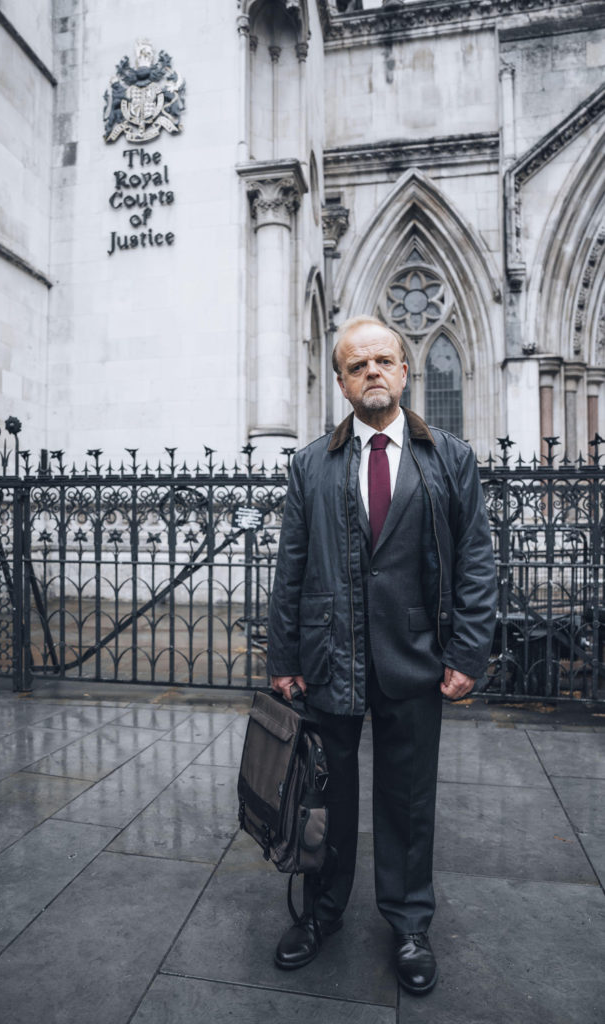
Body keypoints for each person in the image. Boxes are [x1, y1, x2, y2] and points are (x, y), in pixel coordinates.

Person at [266, 315, 497, 994]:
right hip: (328, 658)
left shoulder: (449, 458)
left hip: (416, 660)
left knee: (407, 801)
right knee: (324, 800)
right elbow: (290, 568)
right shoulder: (310, 464)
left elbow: (477, 564)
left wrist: (467, 654)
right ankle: (321, 914)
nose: (371, 372)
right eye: (356, 364)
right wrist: (283, 657)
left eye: (383, 361)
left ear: (403, 370)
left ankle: (408, 923)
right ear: (339, 381)